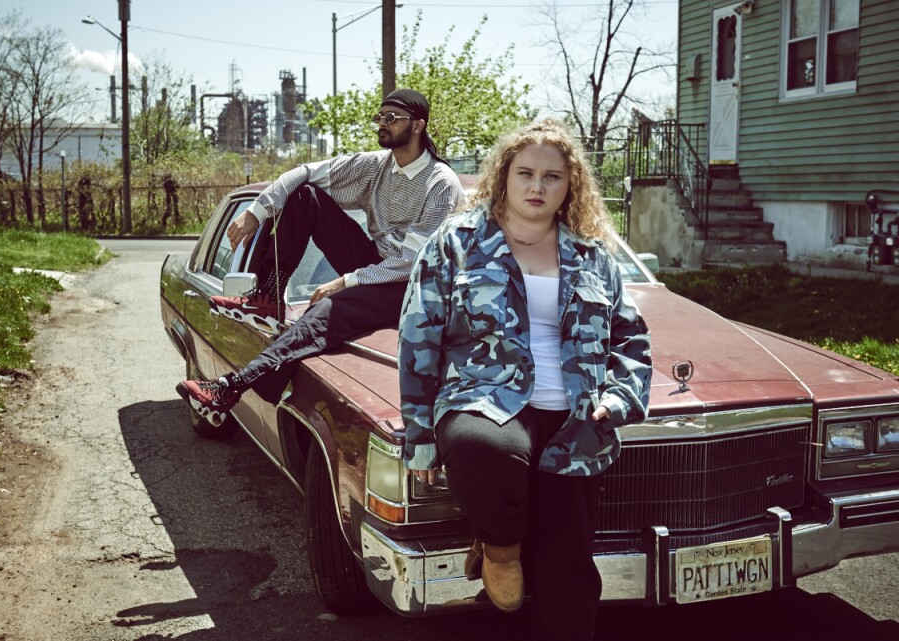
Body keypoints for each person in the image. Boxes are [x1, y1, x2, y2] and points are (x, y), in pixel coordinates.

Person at [398, 119, 651, 640]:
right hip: (486, 398)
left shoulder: (592, 254)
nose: (537, 187)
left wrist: (619, 398)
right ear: (504, 177)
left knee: (569, 570)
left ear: (569, 185)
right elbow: (417, 337)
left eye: (552, 177)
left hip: (577, 419)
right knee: (481, 446)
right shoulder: (458, 241)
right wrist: (420, 437)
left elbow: (630, 338)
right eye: (526, 173)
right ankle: (499, 547)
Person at [178, 88, 465, 426]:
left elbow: (411, 262)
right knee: (306, 196)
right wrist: (257, 211)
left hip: (414, 286)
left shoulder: (441, 183)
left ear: (418, 126)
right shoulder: (376, 166)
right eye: (380, 117)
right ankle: (268, 297)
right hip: (374, 260)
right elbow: (304, 172)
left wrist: (345, 281)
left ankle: (231, 387)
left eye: (392, 118)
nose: (382, 124)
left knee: (325, 310)